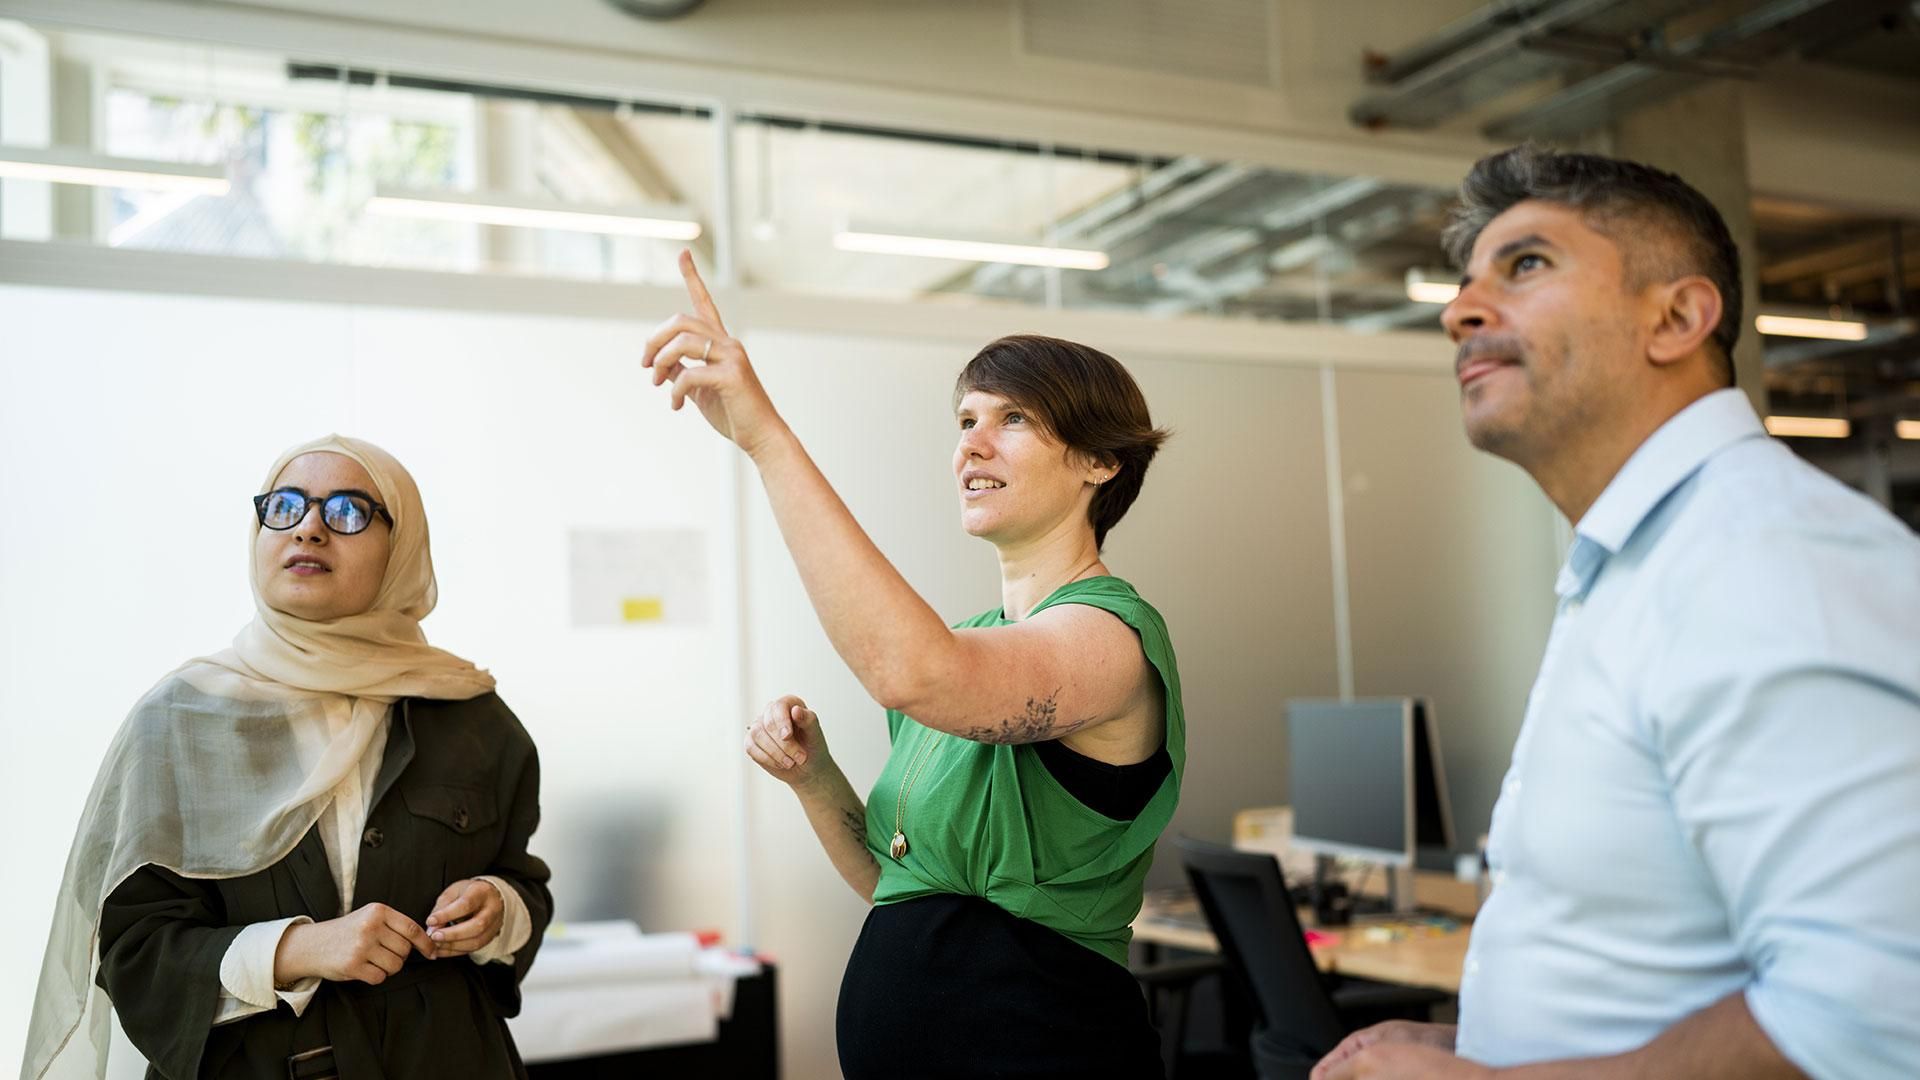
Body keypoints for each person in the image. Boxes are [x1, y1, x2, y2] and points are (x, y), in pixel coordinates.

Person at [1314, 146, 1920, 1080]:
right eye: (1465, 281)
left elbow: (1876, 1015)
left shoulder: (1764, 559)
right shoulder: (1640, 562)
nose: (1458, 311)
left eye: (1525, 265)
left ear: (1677, 316)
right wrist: (1478, 1047)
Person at [642, 253, 1182, 1078]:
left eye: (1015, 421)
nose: (972, 444)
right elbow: (895, 883)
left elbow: (915, 674)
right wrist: (815, 777)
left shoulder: (1108, 641)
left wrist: (767, 439)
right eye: (965, 420)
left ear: (1100, 462)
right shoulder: (975, 645)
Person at [24, 435, 551, 1080]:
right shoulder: (180, 720)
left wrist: (501, 906)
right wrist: (295, 949)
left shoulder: (471, 715)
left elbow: (524, 881)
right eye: (286, 506)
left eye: (349, 511)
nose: (309, 529)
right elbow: (133, 952)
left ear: (402, 549)